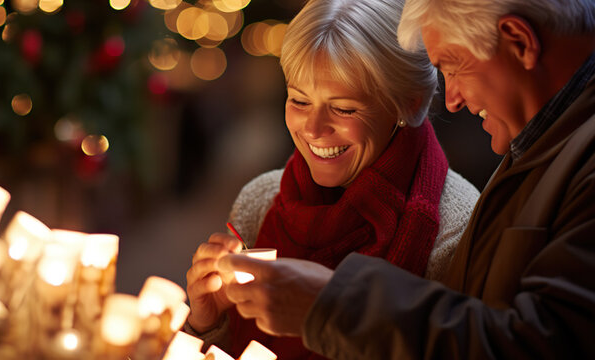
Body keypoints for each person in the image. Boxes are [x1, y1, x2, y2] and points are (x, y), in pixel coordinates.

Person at [217, 0, 595, 358]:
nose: (451, 99)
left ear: (519, 41)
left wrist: (333, 303)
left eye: (453, 68)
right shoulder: (581, 118)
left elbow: (543, 345)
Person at [183, 0, 481, 358]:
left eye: (343, 108)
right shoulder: (260, 200)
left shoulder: (455, 228)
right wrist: (206, 323)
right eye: (299, 101)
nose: (312, 129)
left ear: (410, 104)